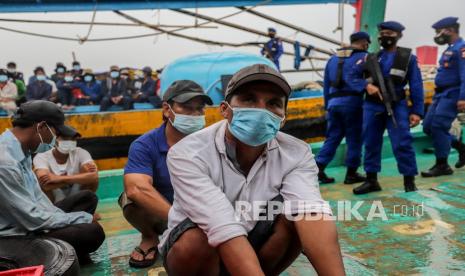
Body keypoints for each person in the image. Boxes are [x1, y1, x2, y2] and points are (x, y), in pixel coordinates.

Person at [160, 64, 344, 275]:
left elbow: (312, 212)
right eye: (249, 99)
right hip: (200, 250)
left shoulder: (297, 153)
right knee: (196, 239)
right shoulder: (188, 152)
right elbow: (221, 225)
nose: (261, 109)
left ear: (283, 118)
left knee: (296, 217)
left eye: (273, 103)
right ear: (224, 109)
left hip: (255, 240)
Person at [121, 80, 212, 268]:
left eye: (200, 109)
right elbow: (136, 187)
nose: (195, 115)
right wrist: (179, 220)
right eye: (187, 108)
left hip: (205, 212)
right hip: (163, 214)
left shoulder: (212, 141)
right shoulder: (145, 145)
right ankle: (150, 236)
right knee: (130, 199)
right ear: (166, 109)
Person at [0, 100, 105, 261]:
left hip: (27, 221)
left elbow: (39, 201)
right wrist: (81, 218)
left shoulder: (23, 152)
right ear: (41, 127)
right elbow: (32, 219)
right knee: (93, 232)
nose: (55, 139)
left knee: (87, 199)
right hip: (11, 235)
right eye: (55, 133)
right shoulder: (5, 161)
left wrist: (70, 220)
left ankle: (69, 248)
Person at [353, 21, 424, 194]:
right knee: (370, 142)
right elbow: (351, 76)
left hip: (397, 105)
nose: (385, 36)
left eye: (390, 33)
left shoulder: (408, 58)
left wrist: (416, 111)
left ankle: (409, 181)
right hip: (372, 105)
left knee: (402, 142)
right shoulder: (371, 58)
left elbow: (416, 85)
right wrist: (366, 85)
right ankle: (371, 180)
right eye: (382, 33)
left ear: (399, 36)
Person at [316, 32, 371, 185]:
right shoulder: (363, 57)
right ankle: (351, 174)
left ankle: (318, 168)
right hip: (352, 104)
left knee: (332, 138)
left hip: (333, 105)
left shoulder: (332, 59)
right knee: (355, 139)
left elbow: (326, 85)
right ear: (365, 43)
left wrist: (328, 106)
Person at [422, 17, 465, 177]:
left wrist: (463, 97)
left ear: (450, 30)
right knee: (428, 127)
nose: (437, 35)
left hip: (452, 94)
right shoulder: (450, 48)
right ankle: (461, 147)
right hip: (440, 94)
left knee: (439, 126)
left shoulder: (461, 49)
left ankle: (442, 165)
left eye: (438, 31)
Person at [33, 126, 98, 204]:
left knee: (92, 180)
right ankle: (51, 210)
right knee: (37, 179)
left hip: (76, 192)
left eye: (73, 139)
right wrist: (79, 177)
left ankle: (82, 207)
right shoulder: (42, 156)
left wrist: (58, 178)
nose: (70, 142)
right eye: (65, 138)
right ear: (55, 139)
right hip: (54, 198)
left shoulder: (81, 153)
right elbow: (45, 184)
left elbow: (94, 177)